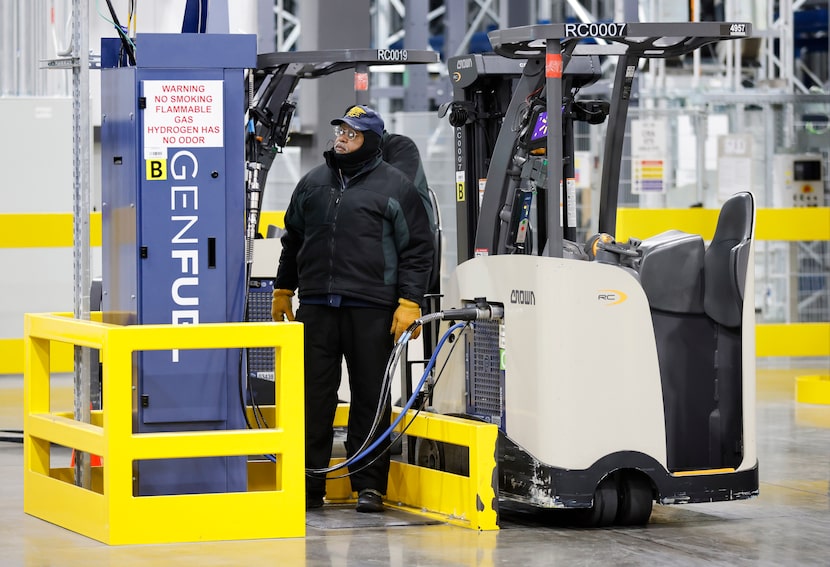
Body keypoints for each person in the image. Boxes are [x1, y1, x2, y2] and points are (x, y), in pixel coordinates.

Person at [271, 105, 434, 513]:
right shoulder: (312, 184)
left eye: (353, 133)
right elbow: (293, 240)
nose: (342, 138)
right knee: (312, 398)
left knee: (369, 399)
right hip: (317, 309)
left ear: (372, 141)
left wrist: (410, 301)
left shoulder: (396, 187)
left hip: (372, 310)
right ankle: (310, 485)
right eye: (341, 130)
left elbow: (417, 249)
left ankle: (369, 486)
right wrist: (283, 288)